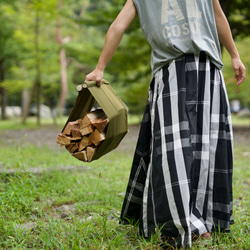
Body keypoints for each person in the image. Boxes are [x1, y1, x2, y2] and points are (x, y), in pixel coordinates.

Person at [85, 0, 246, 248]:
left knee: (205, 150)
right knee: (173, 151)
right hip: (170, 69)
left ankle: (201, 221)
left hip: (208, 68)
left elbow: (218, 16)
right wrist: (99, 68)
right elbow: (118, 26)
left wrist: (235, 55)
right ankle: (177, 224)